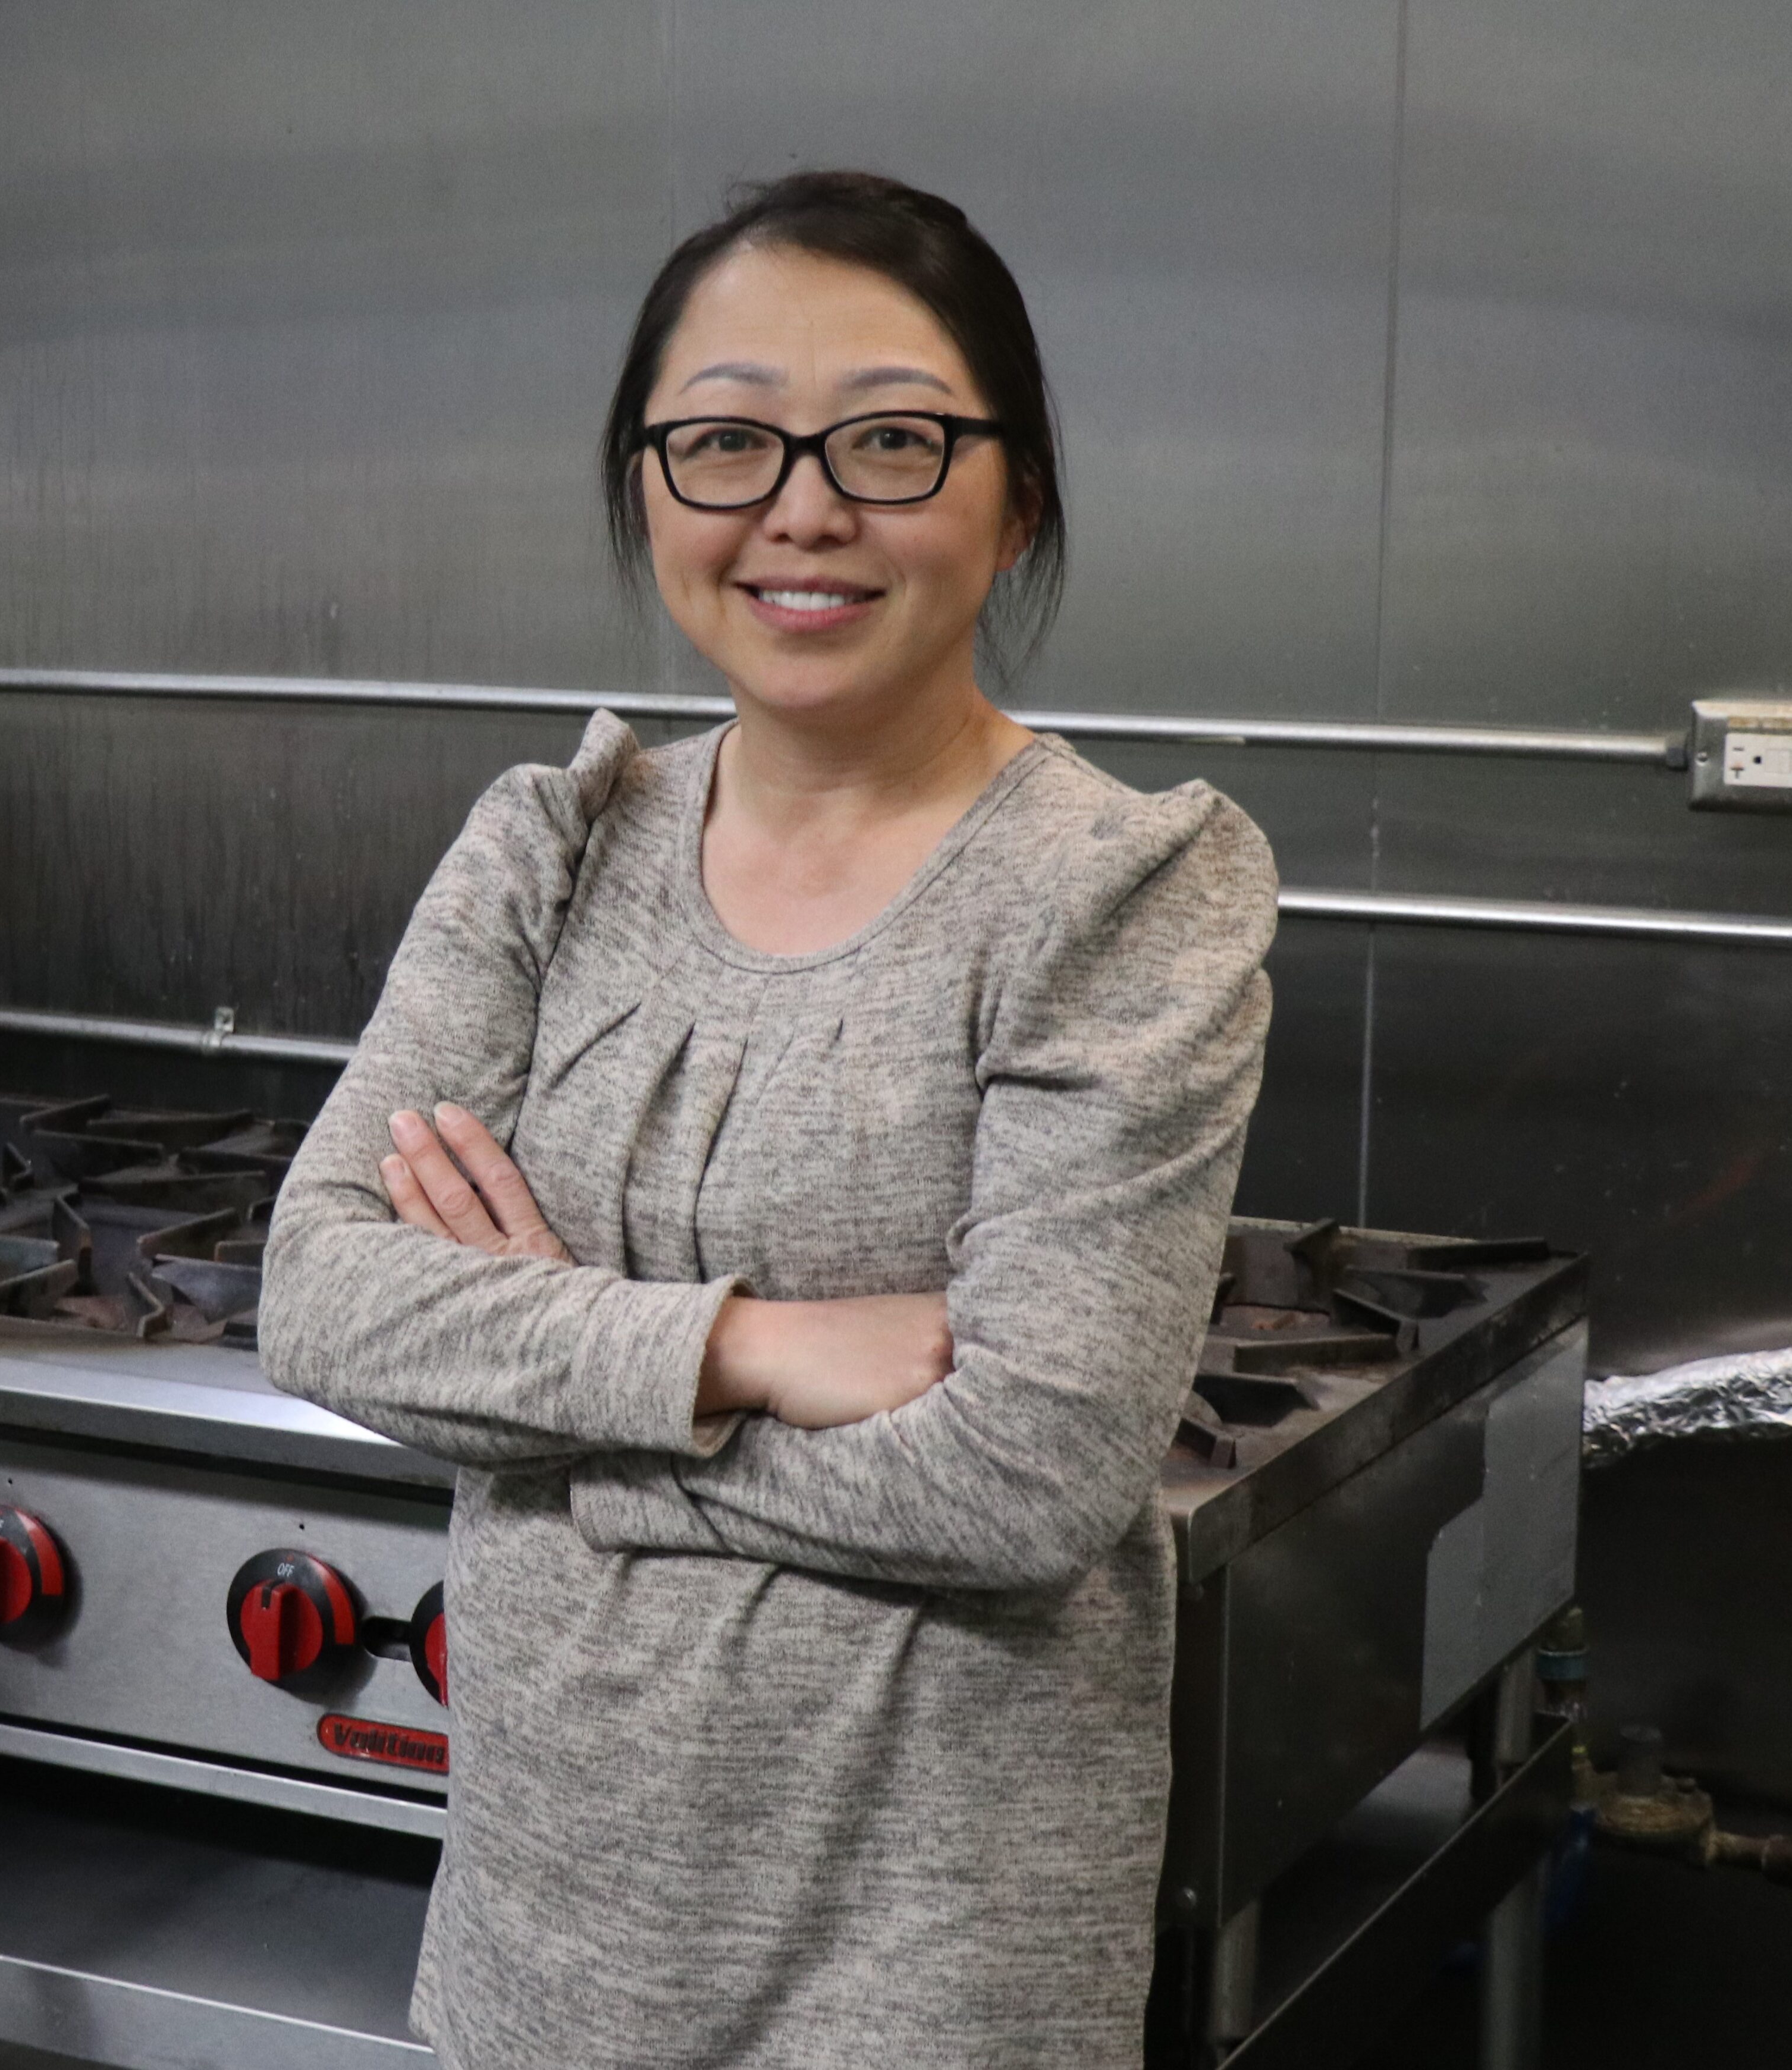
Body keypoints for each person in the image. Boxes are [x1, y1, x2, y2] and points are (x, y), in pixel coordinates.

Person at [261, 168, 1276, 2070]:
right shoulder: (551, 849)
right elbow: (319, 1292)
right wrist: (756, 1346)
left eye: (891, 441)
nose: (802, 508)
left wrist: (545, 1430)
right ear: (647, 481)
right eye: (724, 441)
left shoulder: (1123, 893)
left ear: (1019, 489)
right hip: (539, 1938)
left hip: (919, 1970)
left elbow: (1024, 1475)